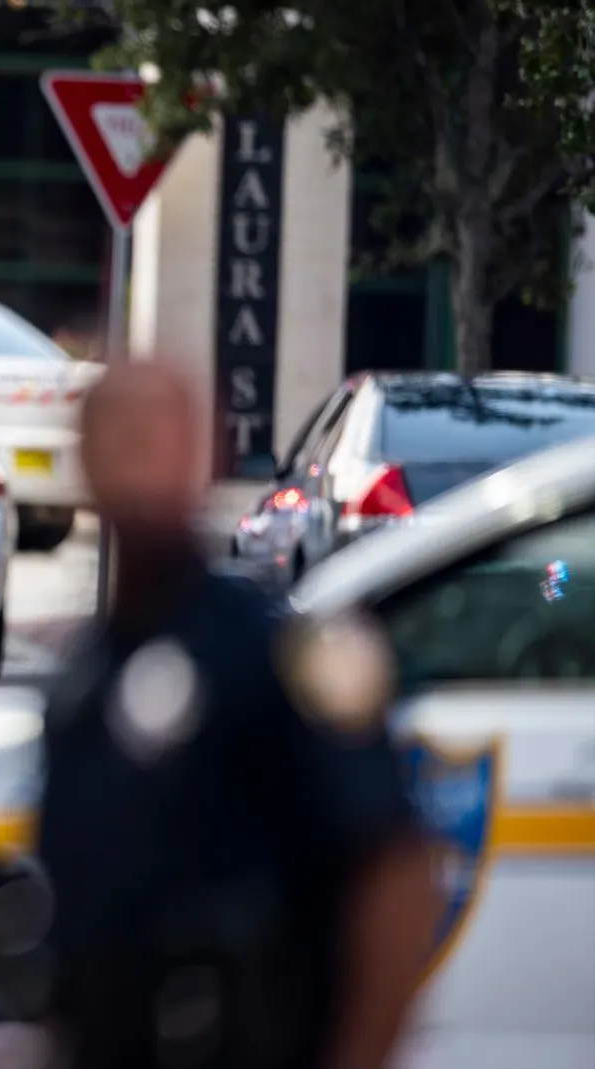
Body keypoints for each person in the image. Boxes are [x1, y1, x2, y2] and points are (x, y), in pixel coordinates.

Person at [32, 363, 440, 1069]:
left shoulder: (281, 654)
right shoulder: (84, 679)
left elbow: (396, 878)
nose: (135, 468)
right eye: (116, 440)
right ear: (85, 463)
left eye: (155, 441)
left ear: (202, 457)